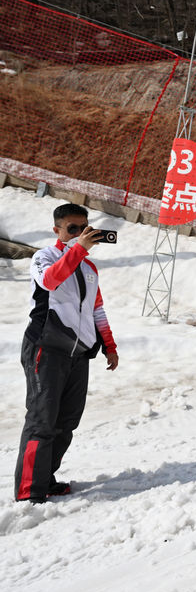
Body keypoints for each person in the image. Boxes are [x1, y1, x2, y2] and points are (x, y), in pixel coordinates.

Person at [15, 203, 119, 503]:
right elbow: (49, 281)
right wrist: (79, 249)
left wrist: (109, 346)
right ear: (57, 230)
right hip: (46, 349)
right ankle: (28, 492)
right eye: (72, 228)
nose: (79, 233)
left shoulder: (89, 268)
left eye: (84, 228)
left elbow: (96, 309)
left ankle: (45, 479)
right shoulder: (44, 256)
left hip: (78, 353)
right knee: (42, 419)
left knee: (67, 421)